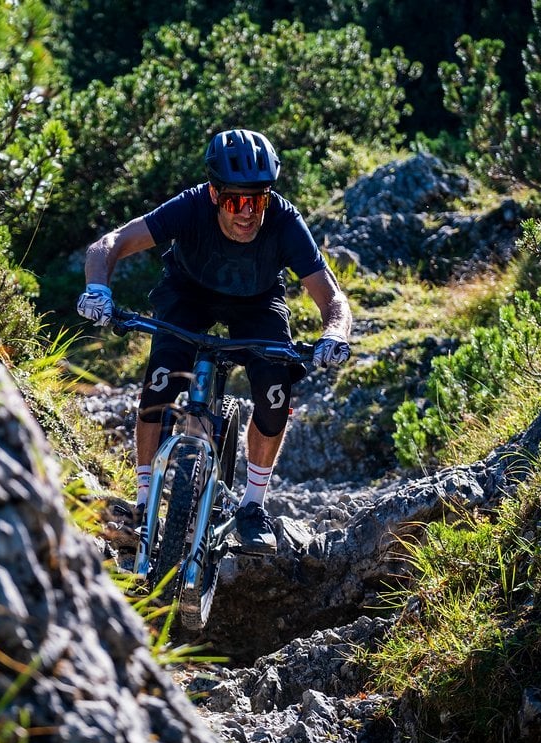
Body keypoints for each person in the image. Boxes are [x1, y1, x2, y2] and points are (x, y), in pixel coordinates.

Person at [77, 129, 352, 555]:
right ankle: (145, 501)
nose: (247, 213)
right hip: (188, 294)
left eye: (257, 201)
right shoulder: (189, 207)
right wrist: (98, 289)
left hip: (257, 303)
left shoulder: (284, 221)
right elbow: (108, 245)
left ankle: (252, 507)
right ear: (214, 193)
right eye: (236, 201)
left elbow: (331, 295)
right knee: (161, 382)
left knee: (276, 391)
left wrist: (334, 332)